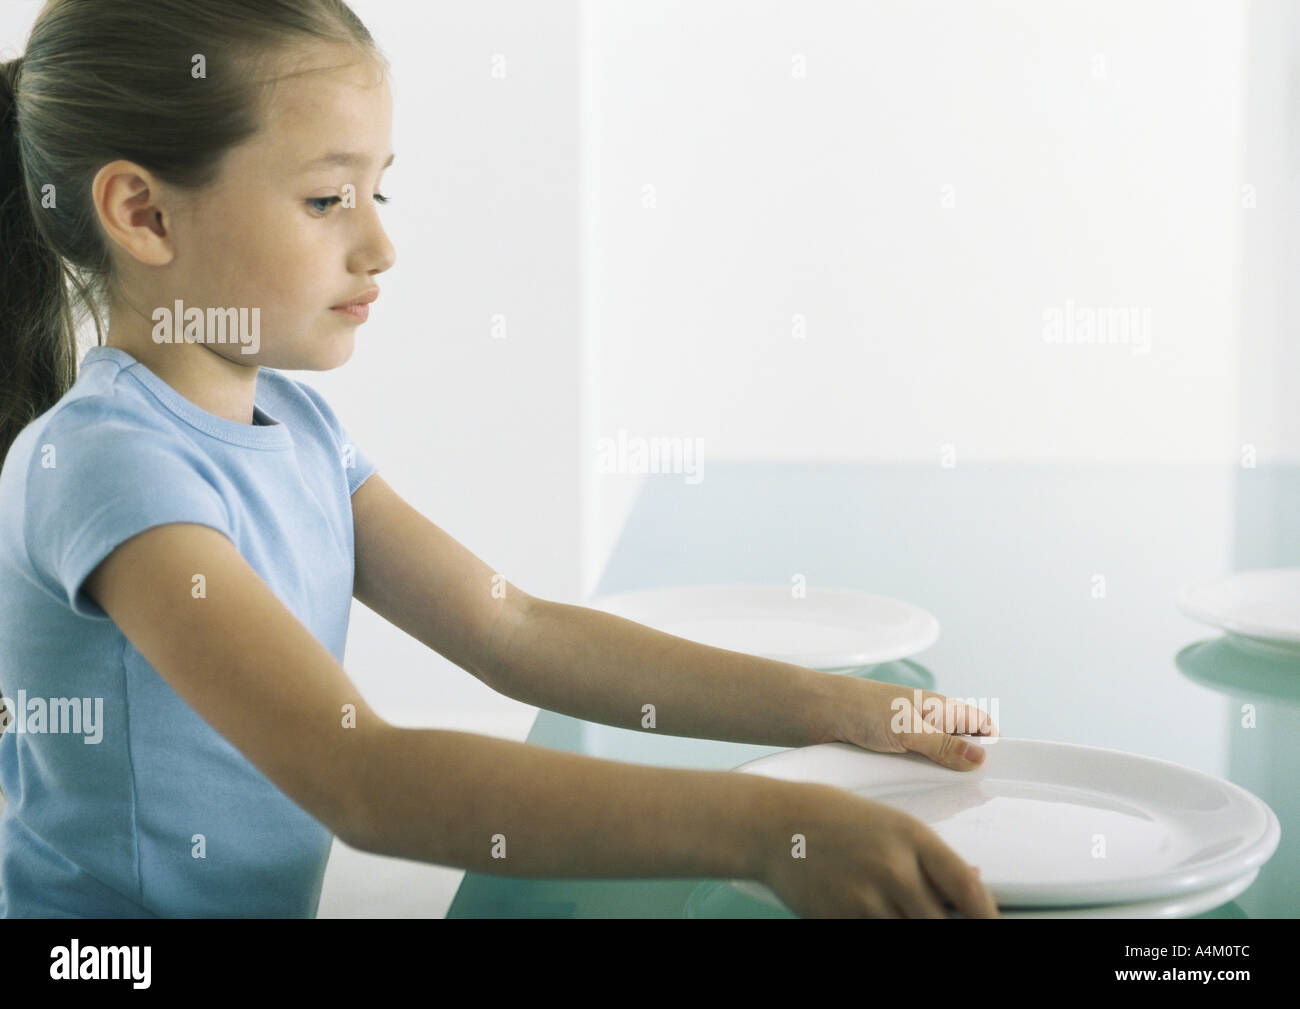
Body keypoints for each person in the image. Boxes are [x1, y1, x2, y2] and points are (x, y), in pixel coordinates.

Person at [0, 0, 999, 919]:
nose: (380, 243)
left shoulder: (299, 427)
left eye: (378, 190)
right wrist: (765, 833)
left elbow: (507, 624)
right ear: (144, 213)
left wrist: (835, 707)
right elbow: (365, 781)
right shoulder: (105, 465)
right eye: (325, 199)